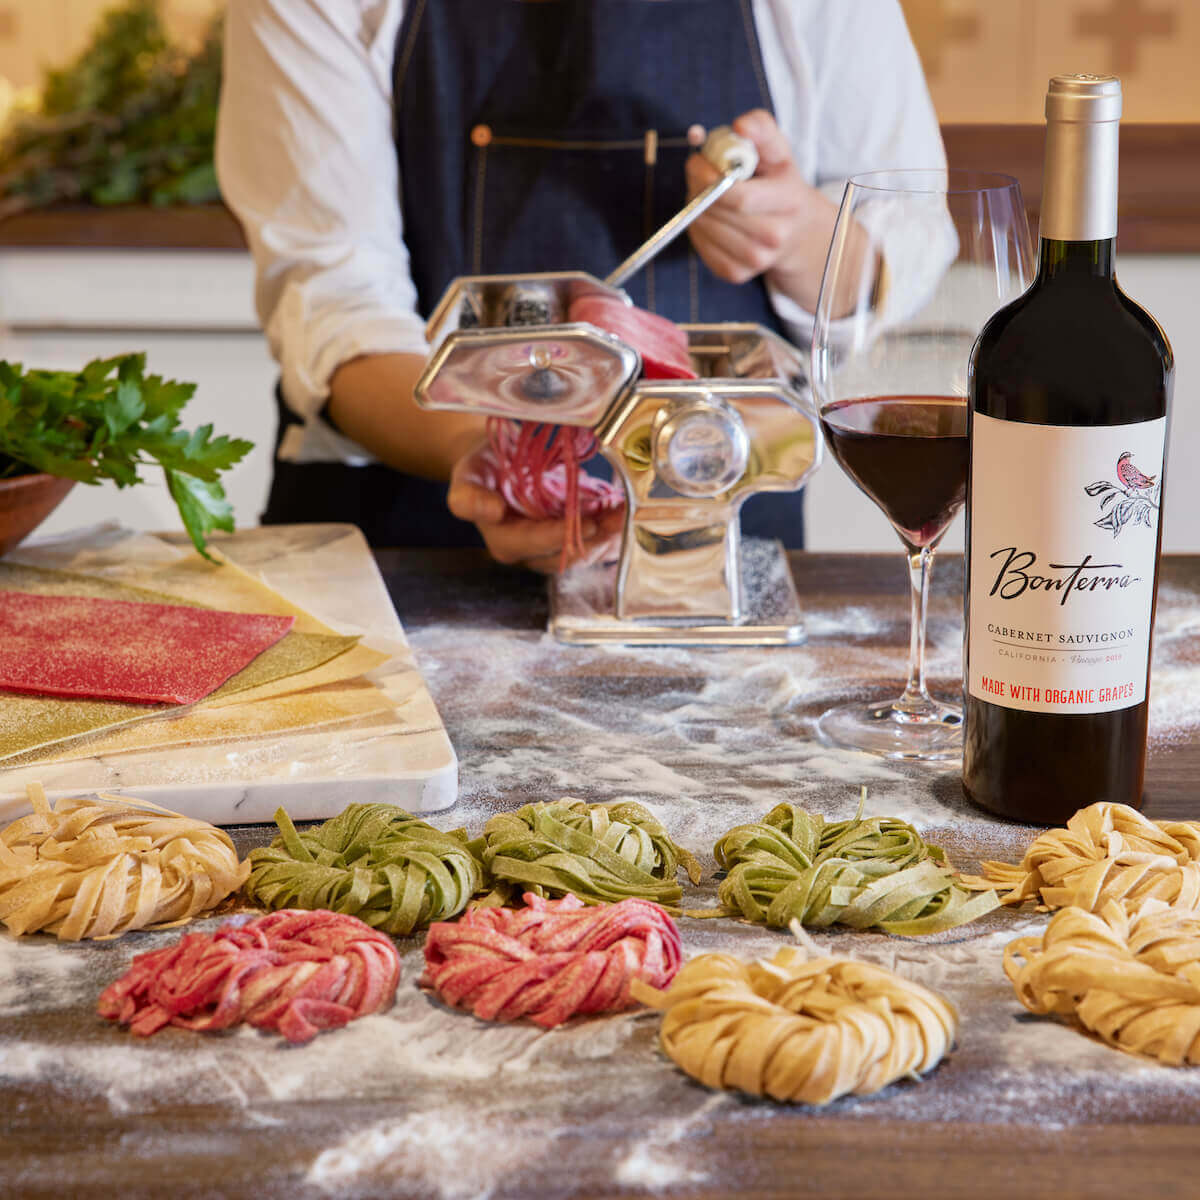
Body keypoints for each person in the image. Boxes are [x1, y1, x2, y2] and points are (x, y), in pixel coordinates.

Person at [216, 0, 945, 571]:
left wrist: (799, 234)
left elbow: (904, 242)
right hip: (402, 548)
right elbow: (336, 303)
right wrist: (494, 458)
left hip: (718, 541)